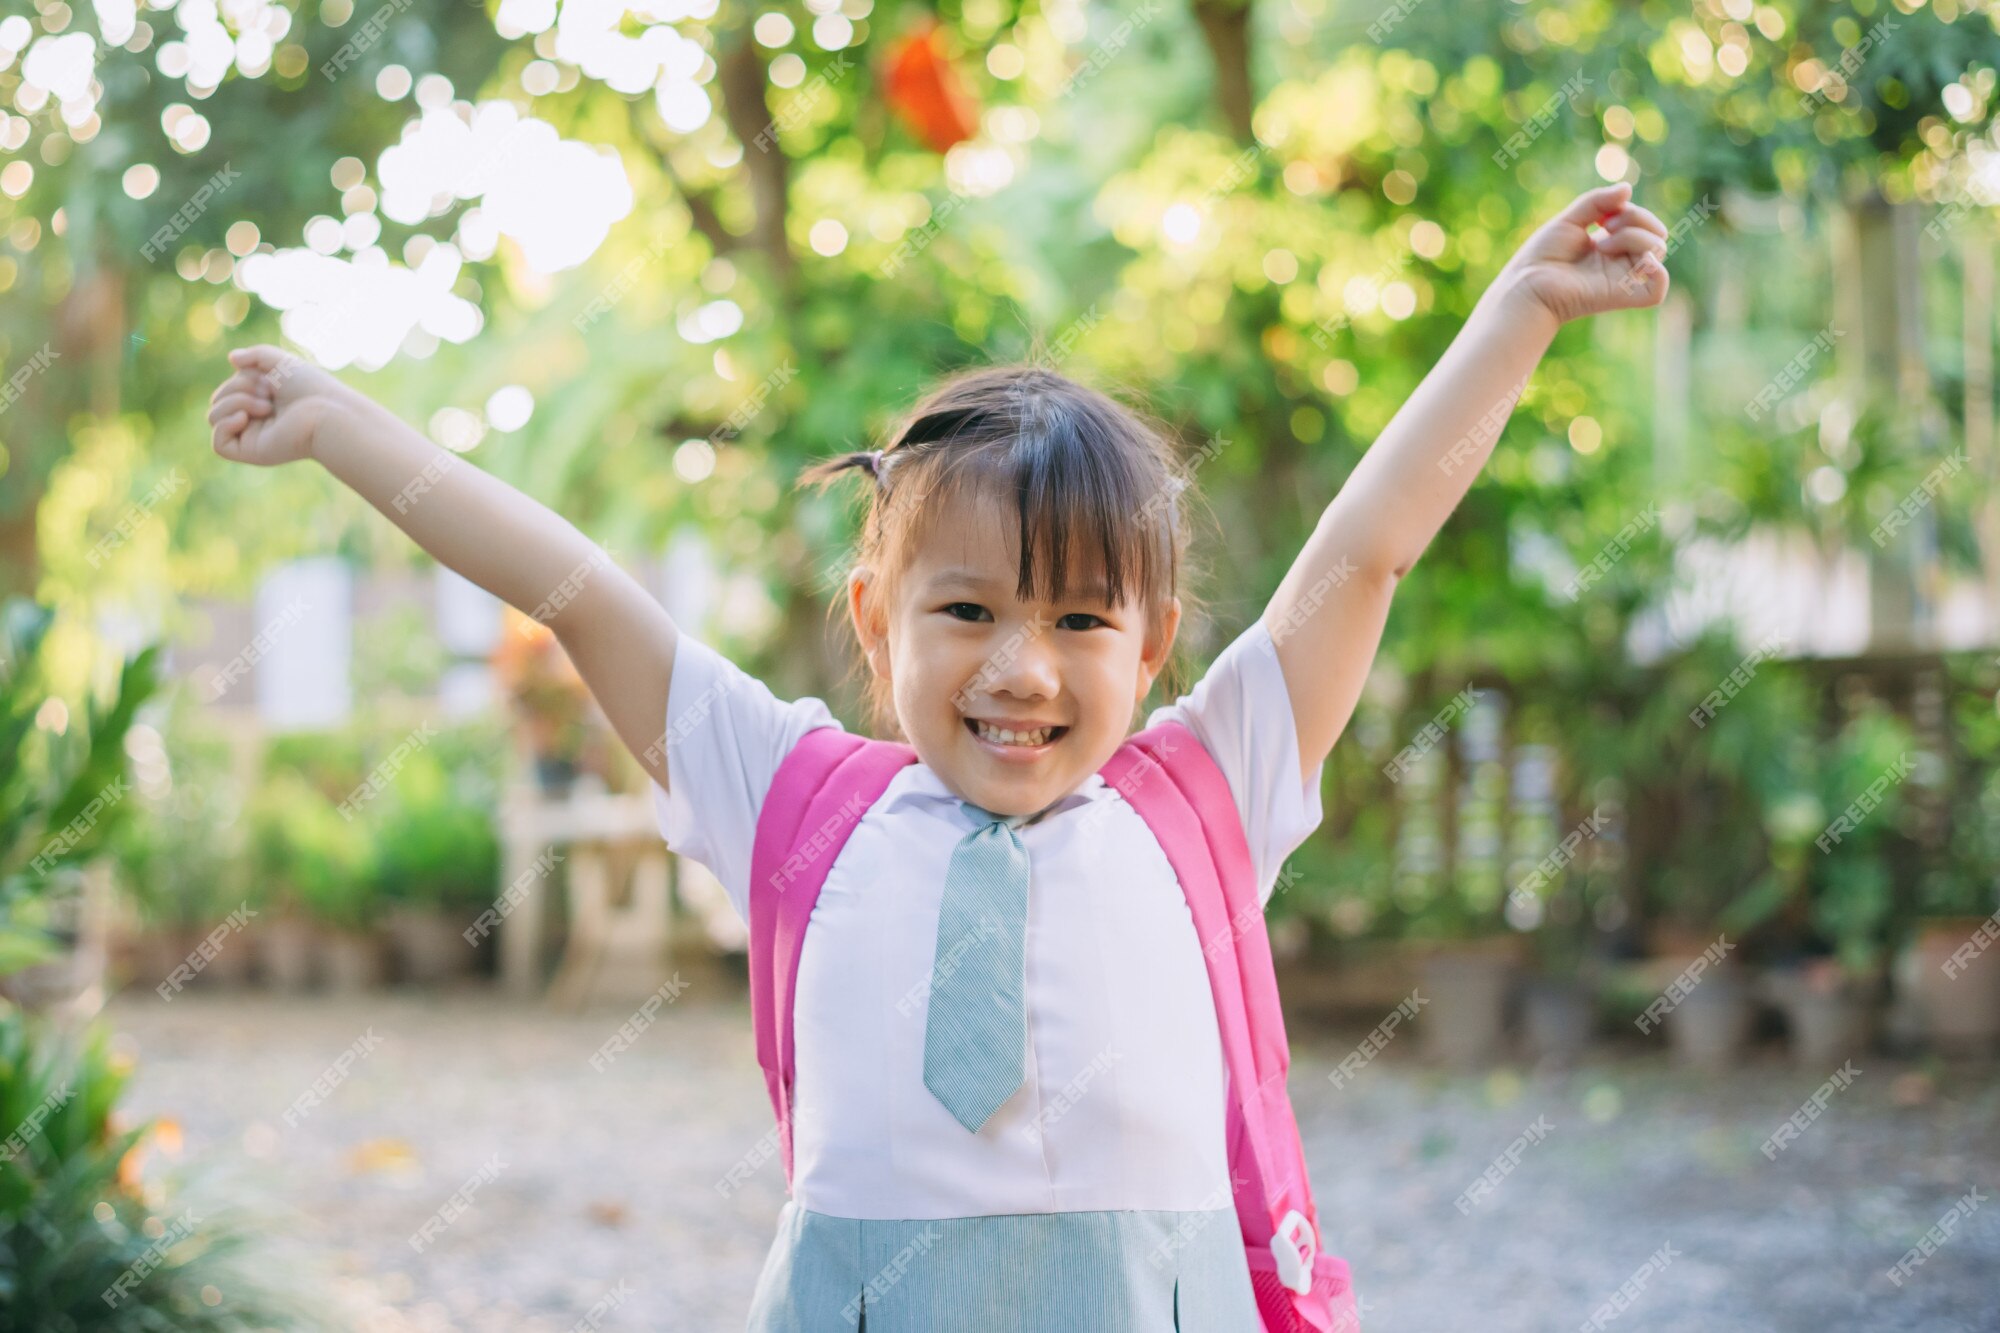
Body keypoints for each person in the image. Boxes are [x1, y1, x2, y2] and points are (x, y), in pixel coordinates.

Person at [208, 181, 1669, 1330]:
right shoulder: (788, 800)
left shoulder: (1205, 794)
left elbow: (1365, 554)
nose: (1021, 667)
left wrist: (1520, 314)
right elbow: (578, 589)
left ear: (1150, 645)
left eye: (1081, 618)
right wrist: (346, 426)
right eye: (966, 609)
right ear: (875, 617)